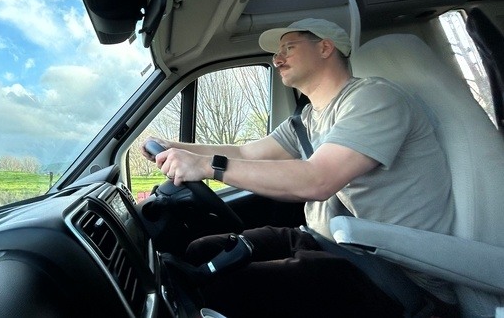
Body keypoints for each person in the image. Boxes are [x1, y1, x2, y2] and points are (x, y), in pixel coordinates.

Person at [142, 18, 457, 317]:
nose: (277, 59)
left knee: (219, 286)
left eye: (288, 48)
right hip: (324, 239)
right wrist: (177, 148)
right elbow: (246, 151)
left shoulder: (374, 98)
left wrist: (209, 167)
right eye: (277, 52)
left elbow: (318, 180)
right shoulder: (307, 119)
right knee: (201, 252)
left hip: (386, 270)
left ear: (324, 48)